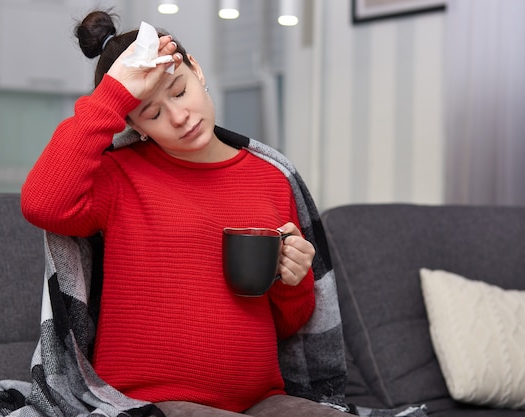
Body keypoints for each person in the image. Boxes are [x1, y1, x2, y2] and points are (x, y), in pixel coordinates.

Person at [20, 10, 347, 417]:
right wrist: (111, 95)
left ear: (197, 69)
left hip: (263, 401)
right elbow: (42, 203)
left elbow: (289, 323)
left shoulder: (271, 178)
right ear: (134, 125)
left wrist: (292, 281)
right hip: (151, 402)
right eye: (152, 114)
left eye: (179, 91)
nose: (178, 117)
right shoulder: (118, 177)